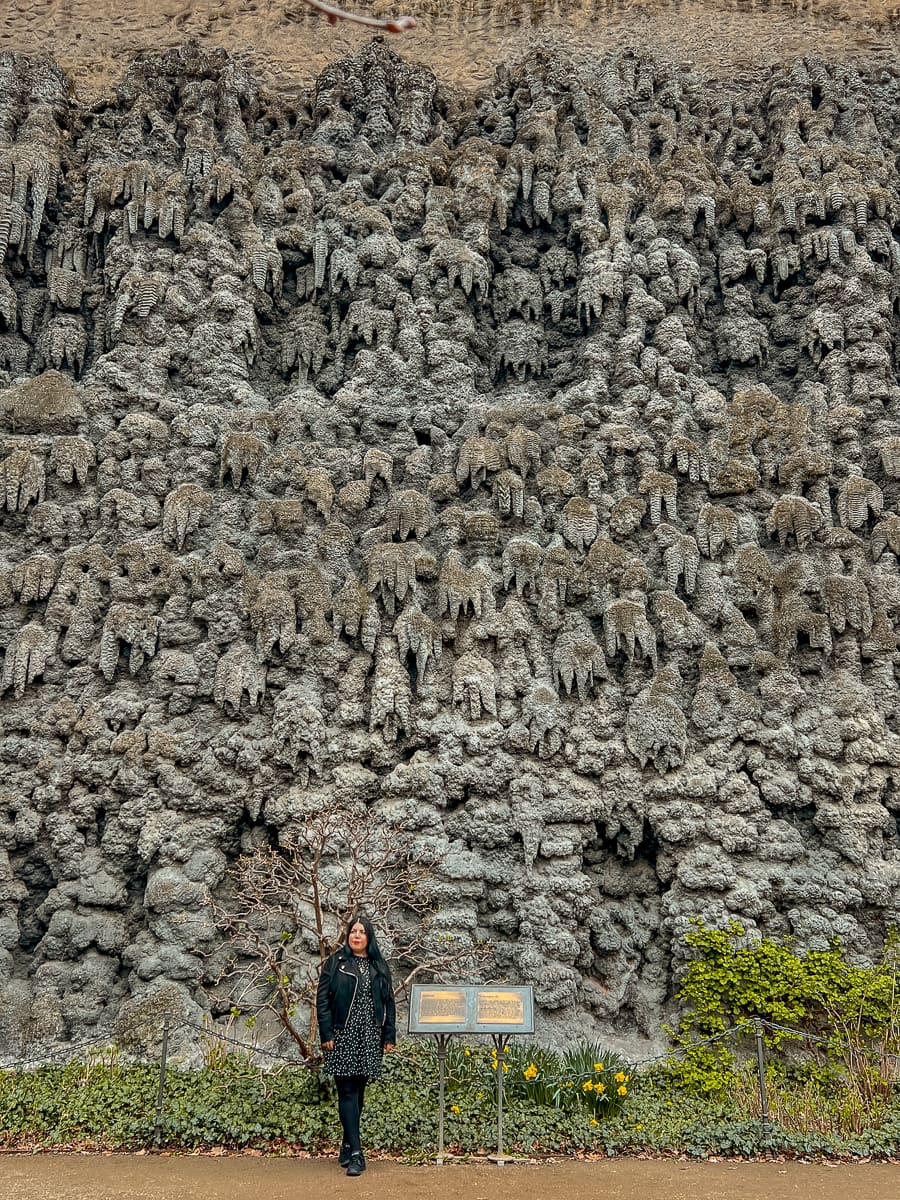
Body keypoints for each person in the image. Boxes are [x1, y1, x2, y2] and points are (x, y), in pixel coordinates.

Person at [316, 915, 396, 1176]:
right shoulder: (336, 963)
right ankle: (357, 1154)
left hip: (369, 1036)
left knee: (359, 1093)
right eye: (353, 931)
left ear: (369, 937)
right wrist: (326, 1032)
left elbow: (389, 1002)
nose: (357, 935)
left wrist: (389, 1035)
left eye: (362, 932)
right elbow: (323, 1000)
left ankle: (347, 1142)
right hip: (343, 1034)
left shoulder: (379, 966)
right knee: (347, 1091)